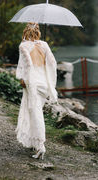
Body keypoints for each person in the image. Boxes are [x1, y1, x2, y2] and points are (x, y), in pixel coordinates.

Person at [15, 22, 57, 160]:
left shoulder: (23, 46)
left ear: (25, 32)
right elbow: (52, 63)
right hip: (44, 83)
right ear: (37, 32)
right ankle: (35, 142)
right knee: (35, 111)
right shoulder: (44, 45)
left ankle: (40, 146)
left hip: (32, 83)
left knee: (35, 113)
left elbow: (25, 66)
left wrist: (23, 79)